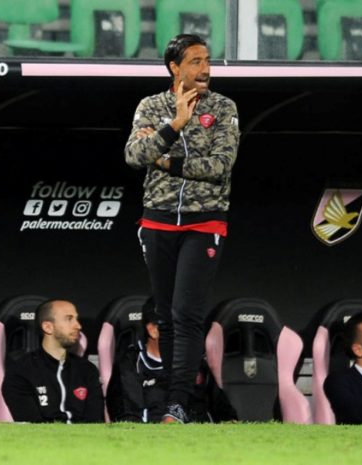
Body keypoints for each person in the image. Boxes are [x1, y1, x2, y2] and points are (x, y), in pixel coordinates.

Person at [124, 33, 240, 423]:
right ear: (175, 67)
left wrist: (164, 160)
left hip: (204, 220)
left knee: (187, 314)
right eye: (195, 61)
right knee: (166, 315)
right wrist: (174, 124)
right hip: (157, 218)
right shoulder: (152, 106)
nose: (205, 69)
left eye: (207, 60)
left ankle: (177, 404)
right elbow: (134, 155)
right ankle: (174, 402)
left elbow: (219, 165)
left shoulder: (222, 107)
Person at [106, 308, 237, 423]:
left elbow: (225, 413)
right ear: (153, 330)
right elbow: (129, 420)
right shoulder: (131, 364)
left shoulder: (194, 363)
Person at [2, 299, 104, 423]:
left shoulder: (87, 370)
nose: (78, 325)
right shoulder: (20, 371)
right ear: (48, 327)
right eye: (69, 319)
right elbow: (32, 426)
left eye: (76, 319)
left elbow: (95, 422)